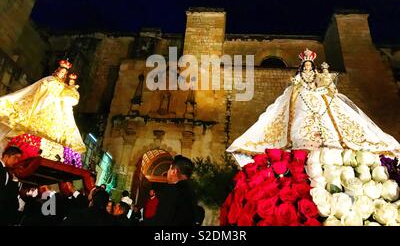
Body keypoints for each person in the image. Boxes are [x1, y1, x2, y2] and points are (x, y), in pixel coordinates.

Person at [227, 48, 400, 166]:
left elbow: (328, 86)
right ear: (303, 66)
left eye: (310, 65)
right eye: (306, 65)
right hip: (303, 98)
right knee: (300, 117)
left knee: (333, 119)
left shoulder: (317, 75)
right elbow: (296, 85)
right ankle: (302, 140)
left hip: (319, 97)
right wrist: (299, 85)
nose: (308, 67)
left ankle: (334, 139)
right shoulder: (300, 77)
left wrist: (325, 80)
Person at [0, 60, 86, 153]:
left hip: (55, 109)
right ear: (57, 71)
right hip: (44, 103)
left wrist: (71, 85)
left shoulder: (64, 86)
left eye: (64, 73)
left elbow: (71, 98)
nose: (62, 74)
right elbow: (41, 88)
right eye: (61, 72)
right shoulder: (50, 79)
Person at [146, 155, 198, 226]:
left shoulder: (172, 190)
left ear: (174, 171)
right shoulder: (192, 192)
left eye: (169, 169)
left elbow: (161, 220)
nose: (168, 172)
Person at [0, 146, 22, 225]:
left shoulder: (7, 172)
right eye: (15, 158)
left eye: (18, 159)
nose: (16, 161)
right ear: (6, 156)